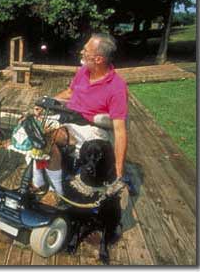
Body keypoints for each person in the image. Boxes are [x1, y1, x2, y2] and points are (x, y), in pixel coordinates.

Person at [32, 33, 129, 199]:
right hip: (69, 117)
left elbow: (120, 132)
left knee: (47, 136)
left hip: (91, 127)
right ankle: (39, 180)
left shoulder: (117, 87)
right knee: (32, 126)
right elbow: (70, 92)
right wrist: (48, 102)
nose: (82, 53)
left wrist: (118, 175)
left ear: (98, 59)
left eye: (86, 51)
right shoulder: (84, 71)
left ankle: (55, 192)